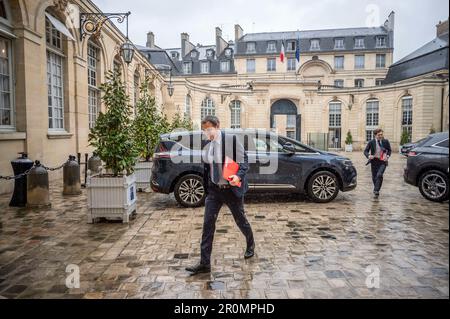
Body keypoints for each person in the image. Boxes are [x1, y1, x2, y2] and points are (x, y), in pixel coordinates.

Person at [185, 116, 255, 275]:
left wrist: (239, 175)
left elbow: (244, 161)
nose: (207, 133)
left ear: (218, 126)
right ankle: (204, 264)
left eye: (209, 129)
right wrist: (208, 186)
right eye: (204, 130)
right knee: (207, 225)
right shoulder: (207, 144)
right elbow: (207, 167)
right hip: (214, 191)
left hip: (231, 190)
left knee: (240, 220)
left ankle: (250, 244)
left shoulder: (231, 140)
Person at [364, 128, 392, 198]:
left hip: (383, 161)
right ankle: (377, 189)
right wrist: (368, 155)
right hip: (374, 161)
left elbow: (389, 150)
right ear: (375, 135)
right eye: (379, 135)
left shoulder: (385, 141)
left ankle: (376, 190)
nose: (381, 136)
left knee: (379, 175)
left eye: (381, 134)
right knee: (374, 177)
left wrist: (387, 156)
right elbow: (365, 151)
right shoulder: (371, 142)